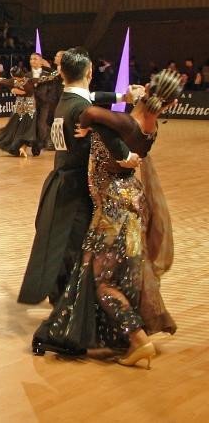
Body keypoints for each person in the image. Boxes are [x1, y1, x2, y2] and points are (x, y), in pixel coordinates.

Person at [32, 70, 180, 366]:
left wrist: (86, 128)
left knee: (103, 282)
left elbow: (87, 112)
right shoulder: (149, 128)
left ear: (147, 90)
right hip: (129, 202)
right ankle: (87, 334)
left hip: (112, 209)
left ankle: (138, 339)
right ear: (170, 105)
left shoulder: (124, 122)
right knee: (92, 270)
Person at [17, 47, 138, 308]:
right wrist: (126, 155)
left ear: (61, 73)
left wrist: (122, 95)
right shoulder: (82, 108)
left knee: (62, 242)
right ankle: (68, 303)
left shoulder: (65, 100)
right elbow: (106, 126)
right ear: (90, 72)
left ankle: (60, 295)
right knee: (74, 245)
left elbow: (90, 98)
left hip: (59, 180)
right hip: (75, 186)